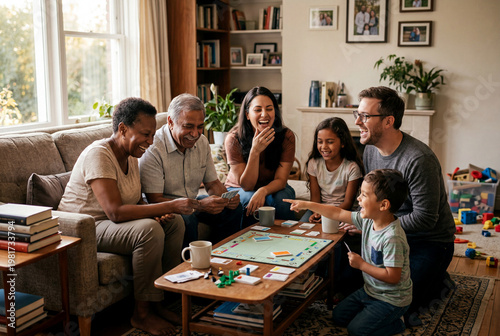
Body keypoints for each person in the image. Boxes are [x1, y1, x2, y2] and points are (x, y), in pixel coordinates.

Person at [58, 97, 185, 336]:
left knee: (174, 223)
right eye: (145, 134)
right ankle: (141, 314)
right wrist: (169, 206)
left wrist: (161, 213)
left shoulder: (131, 156)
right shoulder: (99, 154)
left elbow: (134, 200)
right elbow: (115, 211)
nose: (150, 141)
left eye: (152, 135)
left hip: (109, 224)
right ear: (123, 129)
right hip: (82, 227)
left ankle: (159, 302)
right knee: (149, 230)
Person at [353, 86, 456, 326]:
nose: (358, 121)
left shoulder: (419, 159)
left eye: (365, 116)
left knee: (401, 305)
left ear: (388, 121)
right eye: (357, 115)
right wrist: (359, 220)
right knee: (353, 278)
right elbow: (372, 199)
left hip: (428, 242)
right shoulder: (370, 150)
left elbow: (425, 218)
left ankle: (439, 278)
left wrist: (376, 225)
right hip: (388, 235)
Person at [285, 169, 412, 336]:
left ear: (383, 205)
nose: (358, 198)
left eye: (364, 195)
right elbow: (337, 212)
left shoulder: (392, 238)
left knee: (356, 331)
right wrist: (307, 205)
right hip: (370, 290)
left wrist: (361, 265)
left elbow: (393, 277)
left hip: (391, 300)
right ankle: (371, 313)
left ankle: (398, 324)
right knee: (338, 316)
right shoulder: (368, 220)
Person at [139, 93, 243, 247]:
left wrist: (226, 199)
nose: (195, 134)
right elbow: (154, 199)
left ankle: (224, 257)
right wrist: (199, 205)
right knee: (187, 218)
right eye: (188, 126)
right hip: (168, 208)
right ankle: (192, 267)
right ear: (171, 122)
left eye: (200, 126)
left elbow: (212, 183)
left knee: (233, 209)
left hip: (192, 204)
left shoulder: (202, 142)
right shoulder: (153, 148)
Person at [224, 86, 296, 226]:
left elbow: (281, 180)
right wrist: (255, 151)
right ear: (247, 114)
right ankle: (247, 243)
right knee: (250, 199)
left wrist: (263, 190)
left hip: (272, 186)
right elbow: (247, 185)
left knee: (282, 199)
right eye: (257, 110)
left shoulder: (286, 137)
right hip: (239, 188)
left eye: (269, 109)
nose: (265, 114)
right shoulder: (233, 139)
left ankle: (286, 240)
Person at [300, 117, 363, 224]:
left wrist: (327, 214)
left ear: (343, 143)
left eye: (330, 142)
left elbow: (348, 203)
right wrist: (316, 212)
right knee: (302, 229)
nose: (324, 147)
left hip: (342, 211)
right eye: (320, 142)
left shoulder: (352, 167)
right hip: (319, 209)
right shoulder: (314, 163)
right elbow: (315, 198)